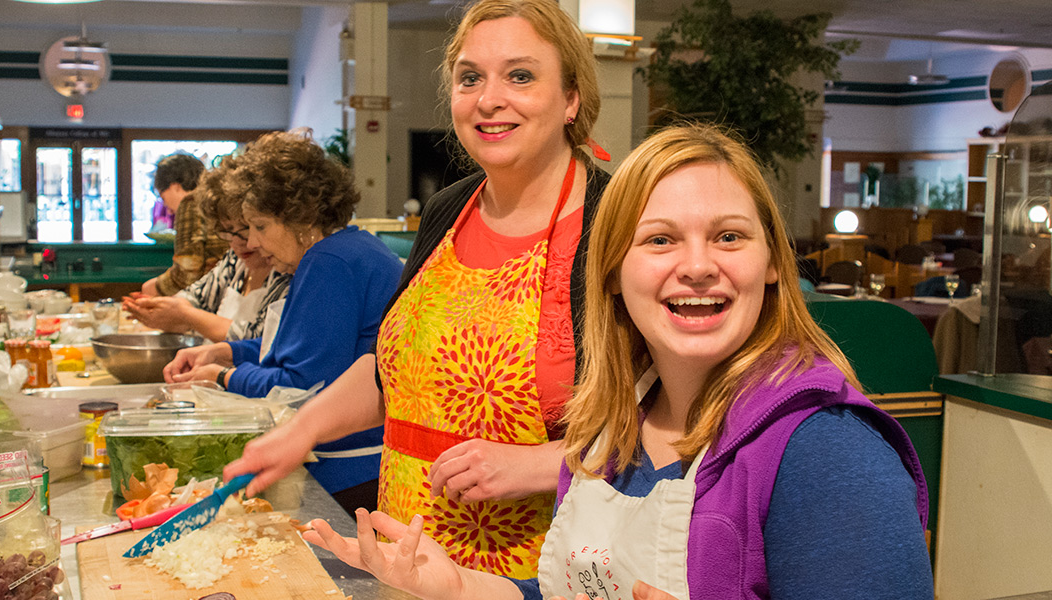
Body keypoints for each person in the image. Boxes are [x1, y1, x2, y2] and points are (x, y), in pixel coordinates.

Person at [301, 124, 934, 600]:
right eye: (660, 240)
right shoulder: (613, 429)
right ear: (610, 273)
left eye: (729, 236)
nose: (695, 265)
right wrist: (461, 587)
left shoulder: (827, 451)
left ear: (773, 265)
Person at [221, 0, 607, 578]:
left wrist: (535, 466)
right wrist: (298, 432)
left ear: (571, 98)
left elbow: (677, 426)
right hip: (409, 561)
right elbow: (392, 374)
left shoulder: (619, 220)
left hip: (540, 573)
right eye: (469, 77)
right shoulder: (448, 210)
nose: (488, 98)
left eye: (520, 75)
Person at [163, 129, 403, 515]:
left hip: (351, 470)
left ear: (300, 216)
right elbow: (304, 347)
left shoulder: (329, 262)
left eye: (260, 226)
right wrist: (225, 351)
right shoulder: (348, 250)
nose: (253, 243)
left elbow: (300, 386)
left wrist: (223, 376)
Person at [123, 155, 291, 343]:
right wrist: (163, 307)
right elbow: (196, 295)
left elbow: (259, 339)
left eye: (246, 229)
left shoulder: (286, 272)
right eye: (228, 232)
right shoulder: (235, 262)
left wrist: (183, 314)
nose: (240, 242)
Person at [141, 153, 230, 297]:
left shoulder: (191, 202)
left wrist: (153, 288)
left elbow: (187, 273)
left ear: (175, 186)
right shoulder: (216, 199)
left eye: (162, 196)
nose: (166, 207)